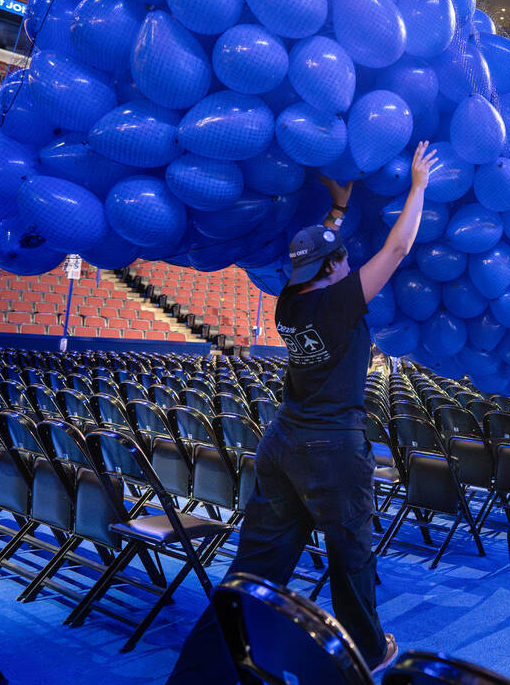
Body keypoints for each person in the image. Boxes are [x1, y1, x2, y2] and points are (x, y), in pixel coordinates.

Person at [166, 142, 438, 684]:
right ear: (333, 269)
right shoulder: (341, 301)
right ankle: (365, 650)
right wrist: (418, 185)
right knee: (351, 555)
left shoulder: (290, 300)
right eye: (340, 259)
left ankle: (200, 672)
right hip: (332, 450)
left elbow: (319, 252)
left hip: (284, 442)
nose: (346, 263)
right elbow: (399, 247)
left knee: (255, 567)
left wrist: (336, 210)